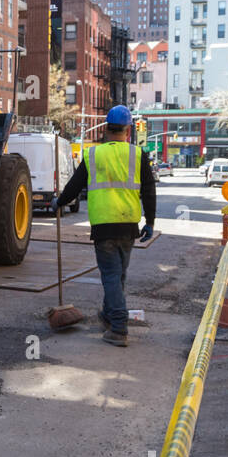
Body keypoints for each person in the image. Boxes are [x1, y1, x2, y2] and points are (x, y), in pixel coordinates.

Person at [51, 105, 157, 348]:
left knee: (111, 276)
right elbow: (150, 192)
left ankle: (119, 327)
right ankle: (109, 316)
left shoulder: (93, 155)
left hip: (104, 226)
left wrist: (59, 202)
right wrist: (150, 222)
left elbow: (74, 187)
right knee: (118, 275)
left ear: (107, 129)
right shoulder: (137, 154)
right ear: (128, 130)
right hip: (128, 225)